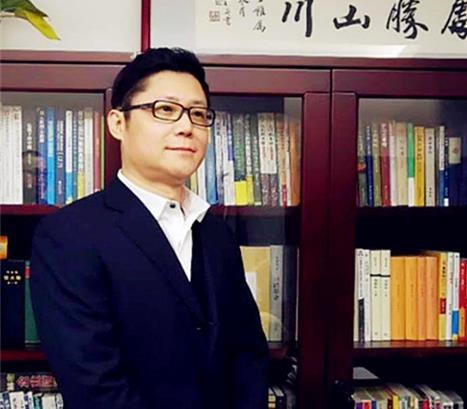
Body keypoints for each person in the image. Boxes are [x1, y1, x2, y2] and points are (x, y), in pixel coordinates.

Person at [31, 47, 269, 409]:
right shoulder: (68, 235)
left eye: (198, 114)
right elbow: (94, 384)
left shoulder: (215, 231)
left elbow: (247, 350)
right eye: (165, 109)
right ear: (118, 123)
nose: (186, 126)